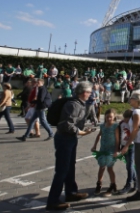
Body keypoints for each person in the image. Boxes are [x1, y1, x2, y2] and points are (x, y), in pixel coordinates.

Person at [46, 81, 95, 211]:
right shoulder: (73, 105)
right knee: (62, 170)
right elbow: (65, 124)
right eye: (89, 92)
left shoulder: (79, 104)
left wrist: (82, 129)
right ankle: (53, 200)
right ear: (84, 92)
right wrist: (81, 132)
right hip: (64, 139)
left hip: (70, 138)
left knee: (70, 166)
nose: (90, 95)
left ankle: (71, 192)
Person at [92, 109, 119, 196]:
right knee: (101, 167)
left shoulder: (115, 126)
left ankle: (113, 184)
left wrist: (116, 150)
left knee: (110, 168)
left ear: (114, 117)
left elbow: (117, 139)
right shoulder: (103, 126)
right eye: (107, 117)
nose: (108, 118)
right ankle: (99, 183)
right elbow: (99, 135)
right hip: (103, 149)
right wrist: (95, 145)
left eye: (110, 117)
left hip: (111, 150)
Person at [117, 110, 137, 194]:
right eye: (124, 118)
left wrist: (127, 146)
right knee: (128, 165)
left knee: (130, 165)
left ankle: (128, 184)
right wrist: (119, 146)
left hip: (131, 146)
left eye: (127, 118)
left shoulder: (133, 124)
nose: (125, 119)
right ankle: (136, 180)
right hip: (123, 145)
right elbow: (119, 134)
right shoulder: (121, 123)